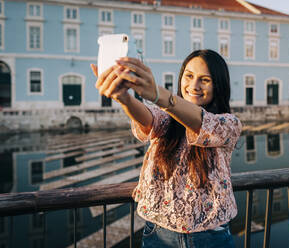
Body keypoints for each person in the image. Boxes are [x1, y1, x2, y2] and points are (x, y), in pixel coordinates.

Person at [91, 49, 241, 248]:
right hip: (159, 234)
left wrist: (157, 94)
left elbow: (203, 122)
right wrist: (124, 98)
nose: (194, 85)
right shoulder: (167, 118)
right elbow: (148, 118)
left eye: (204, 79)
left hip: (210, 236)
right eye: (189, 76)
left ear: (218, 85)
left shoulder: (229, 124)